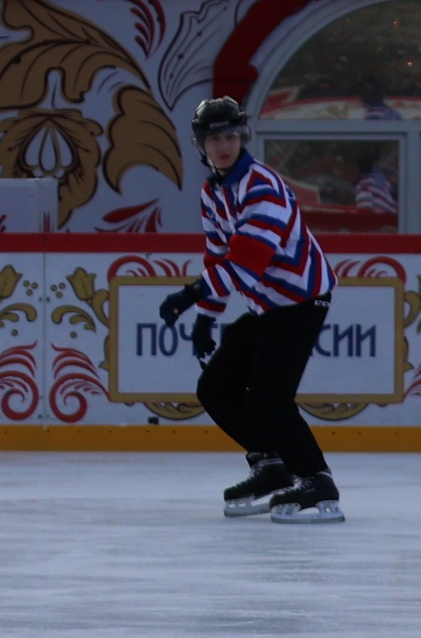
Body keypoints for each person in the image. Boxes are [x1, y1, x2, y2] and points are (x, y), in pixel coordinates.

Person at [157, 96, 342, 523]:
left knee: (267, 399)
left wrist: (187, 298)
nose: (224, 146)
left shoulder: (261, 186)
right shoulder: (214, 191)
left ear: (242, 137)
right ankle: (270, 464)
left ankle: (316, 478)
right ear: (201, 144)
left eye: (230, 136)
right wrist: (207, 314)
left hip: (301, 300)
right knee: (215, 388)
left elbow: (245, 262)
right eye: (214, 138)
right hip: (269, 306)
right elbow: (218, 254)